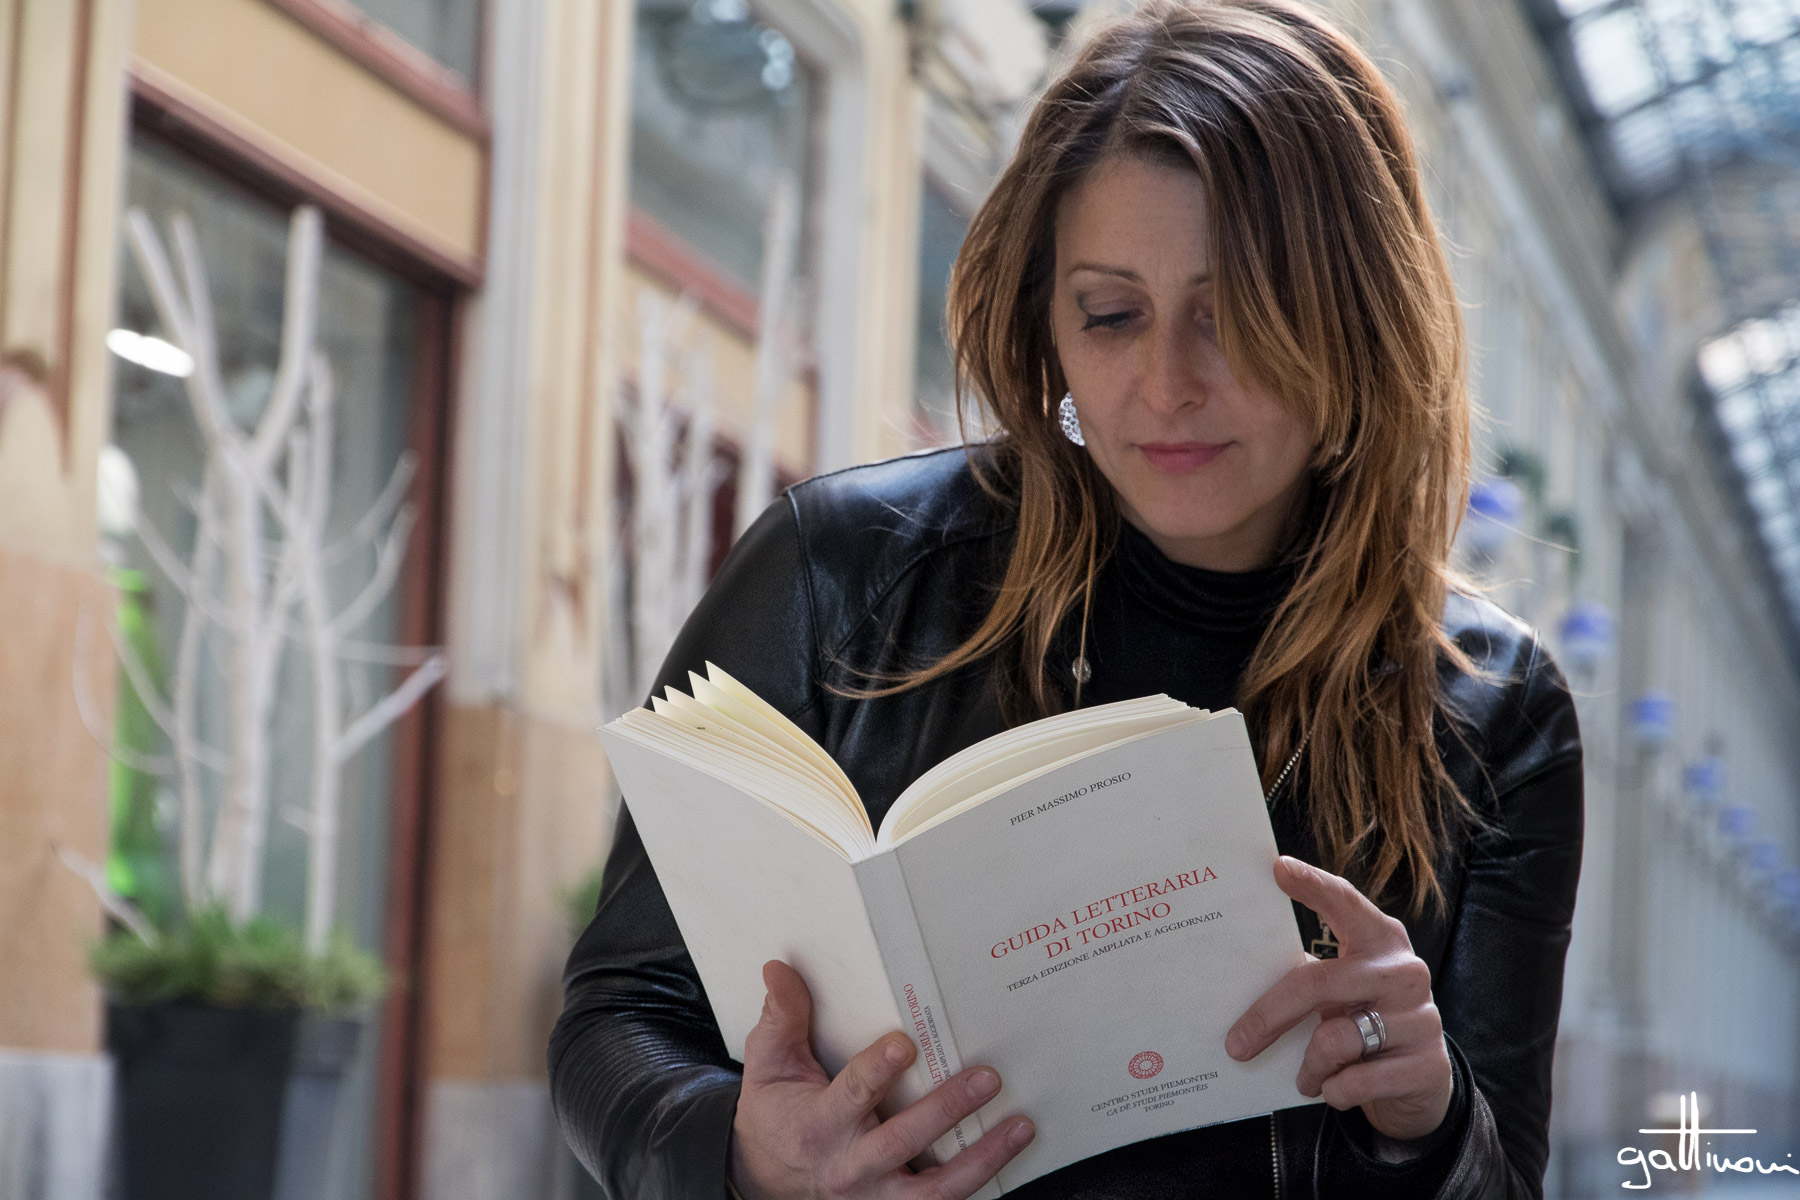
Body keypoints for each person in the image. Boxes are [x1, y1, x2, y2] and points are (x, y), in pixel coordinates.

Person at [548, 1, 1584, 1197]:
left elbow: (1504, 1175)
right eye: (1111, 314)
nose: (1166, 384)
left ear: (1355, 320)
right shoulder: (841, 575)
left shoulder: (1498, 713)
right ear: (1047, 323)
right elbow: (615, 1018)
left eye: (1237, 312)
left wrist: (1433, 1115)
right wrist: (738, 1150)